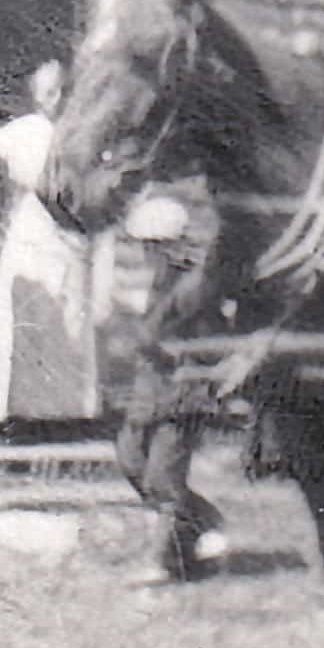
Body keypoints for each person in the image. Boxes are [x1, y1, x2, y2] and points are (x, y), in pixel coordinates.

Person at [111, 177, 229, 585]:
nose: (146, 252)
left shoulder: (194, 284)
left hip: (185, 390)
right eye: (144, 245)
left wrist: (172, 348)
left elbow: (214, 339)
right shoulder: (152, 280)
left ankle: (162, 559)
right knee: (130, 458)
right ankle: (202, 522)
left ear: (171, 244)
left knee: (163, 476)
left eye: (153, 244)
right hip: (150, 386)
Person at [0, 60, 98, 423]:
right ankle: (18, 412)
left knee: (69, 320)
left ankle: (64, 413)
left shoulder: (80, 133)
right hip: (29, 234)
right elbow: (1, 184)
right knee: (25, 318)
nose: (57, 98)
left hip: (66, 237)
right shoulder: (19, 133)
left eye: (63, 90)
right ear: (35, 95)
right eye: (49, 91)